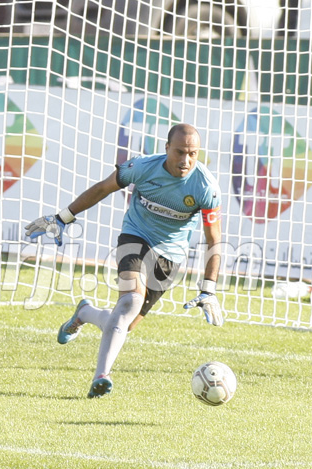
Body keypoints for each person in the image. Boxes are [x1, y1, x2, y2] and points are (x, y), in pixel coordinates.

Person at [25, 123, 223, 398]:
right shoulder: (141, 168)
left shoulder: (206, 187)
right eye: (179, 152)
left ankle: (85, 313)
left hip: (171, 255)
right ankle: (101, 377)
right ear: (167, 148)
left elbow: (214, 240)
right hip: (136, 236)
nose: (186, 160)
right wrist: (62, 217)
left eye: (193, 153)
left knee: (125, 324)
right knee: (130, 301)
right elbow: (103, 188)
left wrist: (209, 289)